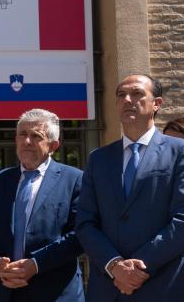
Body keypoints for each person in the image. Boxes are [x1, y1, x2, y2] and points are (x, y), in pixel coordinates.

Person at [76, 74, 184, 300]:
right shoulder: (99, 159)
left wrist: (138, 269)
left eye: (136, 93)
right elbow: (85, 222)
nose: (127, 99)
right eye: (121, 95)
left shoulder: (179, 152)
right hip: (108, 288)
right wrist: (115, 266)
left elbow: (181, 220)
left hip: (163, 285)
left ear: (157, 104)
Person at [0, 109, 84, 301]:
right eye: (22, 135)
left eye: (36, 136)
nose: (27, 141)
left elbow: (79, 235)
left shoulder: (74, 179)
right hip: (7, 291)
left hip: (56, 292)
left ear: (53, 145)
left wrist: (35, 264)